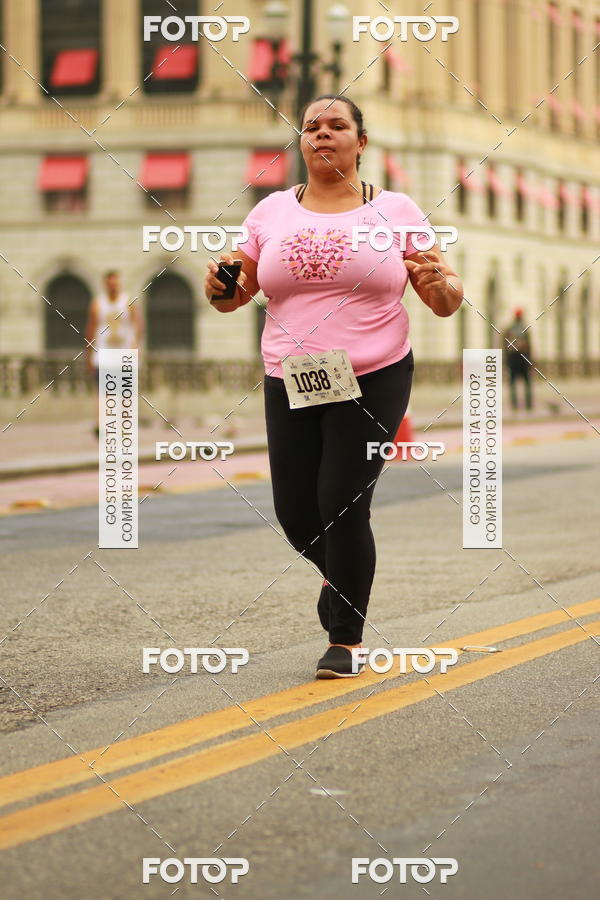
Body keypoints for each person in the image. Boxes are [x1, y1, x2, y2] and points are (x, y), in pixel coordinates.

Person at [204, 94, 463, 678]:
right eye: (312, 127)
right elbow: (232, 296)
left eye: (337, 126)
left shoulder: (394, 210)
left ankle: (344, 639)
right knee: (296, 513)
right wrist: (218, 284)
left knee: (342, 504)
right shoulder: (271, 212)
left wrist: (444, 285)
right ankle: (343, 576)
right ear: (302, 143)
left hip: (373, 374)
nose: (323, 135)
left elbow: (442, 297)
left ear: (361, 143)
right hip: (289, 378)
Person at [85, 271, 143, 436]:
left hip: (124, 354)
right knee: (104, 391)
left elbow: (137, 325)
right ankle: (101, 424)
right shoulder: (98, 304)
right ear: (105, 284)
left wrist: (136, 346)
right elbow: (91, 328)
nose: (113, 286)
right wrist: (89, 354)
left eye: (115, 282)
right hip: (103, 354)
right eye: (110, 283)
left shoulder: (128, 302)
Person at [502, 308, 533, 412]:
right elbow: (529, 346)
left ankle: (514, 404)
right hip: (523, 357)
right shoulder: (525, 329)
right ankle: (528, 404)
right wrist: (531, 360)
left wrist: (505, 359)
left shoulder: (509, 329)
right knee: (527, 382)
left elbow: (504, 345)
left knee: (512, 382)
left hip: (513, 358)